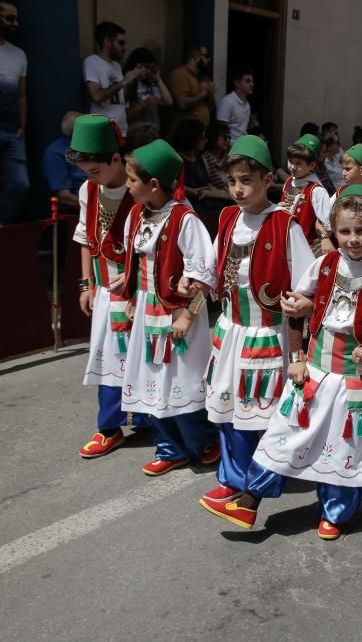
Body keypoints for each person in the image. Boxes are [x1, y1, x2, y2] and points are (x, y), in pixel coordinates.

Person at [204, 185, 362, 535]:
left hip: (354, 380)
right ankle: (250, 500)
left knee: (344, 447)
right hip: (315, 371)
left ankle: (335, 514)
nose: (353, 239)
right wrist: (296, 356)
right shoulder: (324, 265)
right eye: (345, 231)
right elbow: (293, 307)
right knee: (285, 433)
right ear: (334, 231)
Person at [196, 135, 314, 511]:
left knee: (259, 412)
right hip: (230, 330)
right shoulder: (229, 217)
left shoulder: (285, 224)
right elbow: (214, 269)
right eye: (232, 181)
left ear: (267, 180)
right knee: (227, 407)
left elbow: (307, 281)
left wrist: (301, 311)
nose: (237, 189)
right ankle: (233, 479)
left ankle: (254, 482)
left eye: (246, 180)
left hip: (266, 333)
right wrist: (194, 288)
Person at [117, 140, 219, 475]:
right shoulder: (137, 214)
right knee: (151, 378)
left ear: (154, 185)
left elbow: (205, 274)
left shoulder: (184, 220)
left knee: (181, 380)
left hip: (177, 313)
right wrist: (131, 292)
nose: (127, 185)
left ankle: (201, 441)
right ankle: (169, 448)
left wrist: (189, 313)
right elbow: (136, 260)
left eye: (132, 179)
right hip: (148, 309)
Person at [68, 115, 141, 458]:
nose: (90, 178)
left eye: (95, 170)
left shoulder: (140, 187)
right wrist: (86, 284)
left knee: (143, 355)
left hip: (140, 287)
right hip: (103, 287)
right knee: (106, 356)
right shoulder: (89, 190)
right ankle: (109, 428)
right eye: (86, 172)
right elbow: (85, 237)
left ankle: (149, 418)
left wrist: (135, 282)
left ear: (116, 158)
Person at [84, 21, 141, 136]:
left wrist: (134, 79)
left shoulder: (117, 66)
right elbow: (96, 96)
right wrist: (124, 81)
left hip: (121, 131)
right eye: (121, 43)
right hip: (103, 133)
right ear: (107, 42)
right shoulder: (91, 62)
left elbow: (122, 102)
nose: (124, 48)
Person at [280, 133, 333, 253]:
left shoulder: (317, 190)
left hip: (306, 249)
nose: (292, 167)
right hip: (286, 243)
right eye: (290, 161)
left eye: (298, 163)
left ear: (312, 165)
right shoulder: (289, 181)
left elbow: (328, 225)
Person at [0, 0, 27, 224]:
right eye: (9, 18)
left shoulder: (19, 55)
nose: (15, 24)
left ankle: (4, 228)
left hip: (12, 132)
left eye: (16, 19)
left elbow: (22, 94)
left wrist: (22, 125)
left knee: (20, 184)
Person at [124, 47, 173, 134]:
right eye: (146, 67)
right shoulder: (127, 84)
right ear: (137, 65)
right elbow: (126, 115)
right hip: (138, 135)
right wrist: (145, 104)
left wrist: (158, 79)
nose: (149, 71)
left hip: (154, 132)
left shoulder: (150, 82)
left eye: (151, 68)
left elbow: (169, 102)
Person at [43, 111, 87, 207]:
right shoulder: (55, 153)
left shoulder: (89, 147)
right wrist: (93, 206)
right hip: (79, 206)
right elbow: (64, 196)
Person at [167, 45, 214, 131]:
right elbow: (182, 104)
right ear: (196, 57)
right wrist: (202, 94)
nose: (208, 59)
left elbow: (211, 108)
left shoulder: (203, 76)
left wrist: (211, 94)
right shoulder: (179, 74)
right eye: (206, 56)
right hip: (186, 132)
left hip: (201, 130)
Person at [216, 66, 253, 141]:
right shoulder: (227, 101)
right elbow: (220, 129)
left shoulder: (247, 104)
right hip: (231, 148)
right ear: (237, 83)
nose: (252, 84)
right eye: (248, 81)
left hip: (243, 146)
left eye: (252, 81)